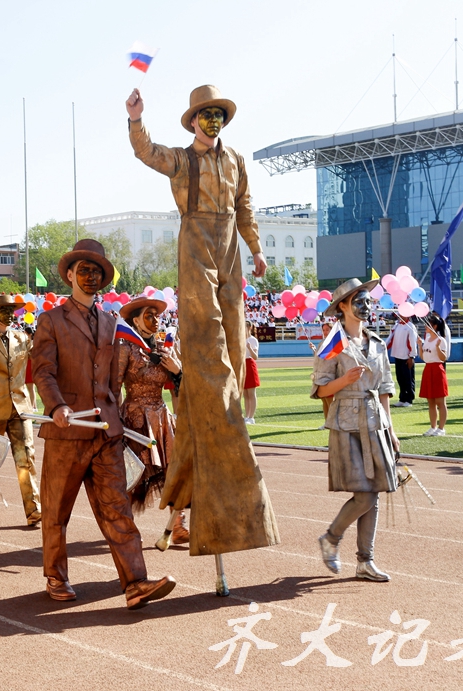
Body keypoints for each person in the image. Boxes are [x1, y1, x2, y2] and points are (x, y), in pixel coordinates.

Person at [126, 85, 278, 557]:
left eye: (218, 115)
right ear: (193, 121)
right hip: (195, 233)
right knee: (205, 321)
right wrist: (136, 119)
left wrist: (256, 250)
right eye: (206, 115)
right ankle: (216, 390)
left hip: (229, 236)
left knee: (233, 326)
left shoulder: (235, 160)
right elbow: (146, 152)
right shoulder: (182, 159)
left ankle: (229, 395)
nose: (212, 121)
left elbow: (245, 206)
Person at [32, 239, 176, 609]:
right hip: (67, 431)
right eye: (84, 270)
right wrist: (57, 405)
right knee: (56, 511)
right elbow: (43, 372)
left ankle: (136, 583)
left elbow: (114, 381)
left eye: (97, 271)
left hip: (106, 433)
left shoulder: (112, 323)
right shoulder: (51, 321)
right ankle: (55, 576)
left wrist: (115, 416)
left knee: (118, 509)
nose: (91, 276)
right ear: (69, 275)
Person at [312, 279, 400, 582]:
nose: (366, 306)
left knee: (374, 493)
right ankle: (331, 538)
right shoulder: (332, 343)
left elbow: (385, 388)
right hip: (347, 424)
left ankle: (365, 561)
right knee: (364, 496)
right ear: (343, 306)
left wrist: (391, 430)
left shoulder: (377, 343)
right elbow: (321, 389)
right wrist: (345, 380)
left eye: (368, 301)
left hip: (376, 423)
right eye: (359, 301)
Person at [114, 294, 185, 541]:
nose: (156, 320)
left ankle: (177, 525)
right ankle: (125, 526)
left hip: (162, 418)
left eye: (157, 315)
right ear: (136, 320)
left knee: (174, 472)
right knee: (133, 474)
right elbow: (114, 386)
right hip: (134, 419)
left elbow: (181, 386)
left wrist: (177, 370)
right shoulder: (124, 347)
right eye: (149, 315)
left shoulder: (164, 347)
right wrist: (115, 419)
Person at [0, 295, 42, 525]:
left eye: (12, 310)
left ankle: (33, 508)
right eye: (4, 310)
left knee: (26, 457)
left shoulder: (23, 339)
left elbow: (42, 359)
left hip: (19, 408)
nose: (9, 315)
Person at [419, 313, 449, 437]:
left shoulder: (441, 340)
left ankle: (441, 428)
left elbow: (443, 357)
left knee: (440, 401)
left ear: (435, 326)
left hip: (437, 369)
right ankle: (433, 427)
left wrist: (437, 347)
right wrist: (419, 346)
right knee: (430, 401)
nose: (426, 326)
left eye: (428, 324)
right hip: (428, 369)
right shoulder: (427, 339)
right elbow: (423, 357)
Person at [387, 314, 418, 408]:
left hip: (406, 357)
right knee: (400, 379)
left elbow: (412, 341)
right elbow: (390, 338)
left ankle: (409, 399)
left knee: (408, 379)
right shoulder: (396, 325)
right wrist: (383, 347)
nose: (400, 316)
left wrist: (411, 356)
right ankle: (402, 398)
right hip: (397, 355)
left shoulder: (410, 326)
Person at [317, 322, 335, 431]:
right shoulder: (322, 343)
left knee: (330, 400)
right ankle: (326, 423)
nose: (325, 332)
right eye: (323, 330)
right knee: (324, 400)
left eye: (327, 330)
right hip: (321, 375)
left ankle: (332, 423)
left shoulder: (334, 343)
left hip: (330, 375)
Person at [243, 321, 260, 424]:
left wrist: (249, 348)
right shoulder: (240, 339)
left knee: (251, 393)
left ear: (249, 327)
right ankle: (247, 416)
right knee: (245, 393)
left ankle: (251, 417)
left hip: (250, 364)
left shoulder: (253, 340)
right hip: (242, 365)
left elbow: (255, 357)